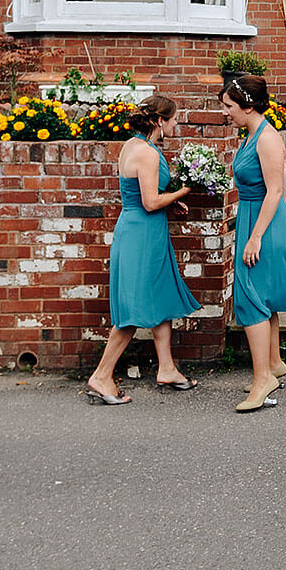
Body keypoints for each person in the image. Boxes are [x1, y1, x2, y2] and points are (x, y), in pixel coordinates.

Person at [84, 94, 203, 405]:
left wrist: (171, 201)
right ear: (159, 122)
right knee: (134, 307)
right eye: (174, 119)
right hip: (141, 235)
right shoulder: (148, 153)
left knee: (159, 295)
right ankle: (101, 375)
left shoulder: (131, 145)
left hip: (140, 229)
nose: (177, 123)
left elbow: (142, 196)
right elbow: (150, 202)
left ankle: (167, 368)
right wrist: (184, 190)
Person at [220, 74, 286, 413]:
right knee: (262, 296)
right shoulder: (251, 136)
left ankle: (262, 379)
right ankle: (274, 363)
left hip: (265, 225)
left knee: (250, 299)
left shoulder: (267, 140)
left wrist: (258, 236)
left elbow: (277, 190)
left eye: (229, 107)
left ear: (247, 106)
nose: (226, 113)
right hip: (257, 218)